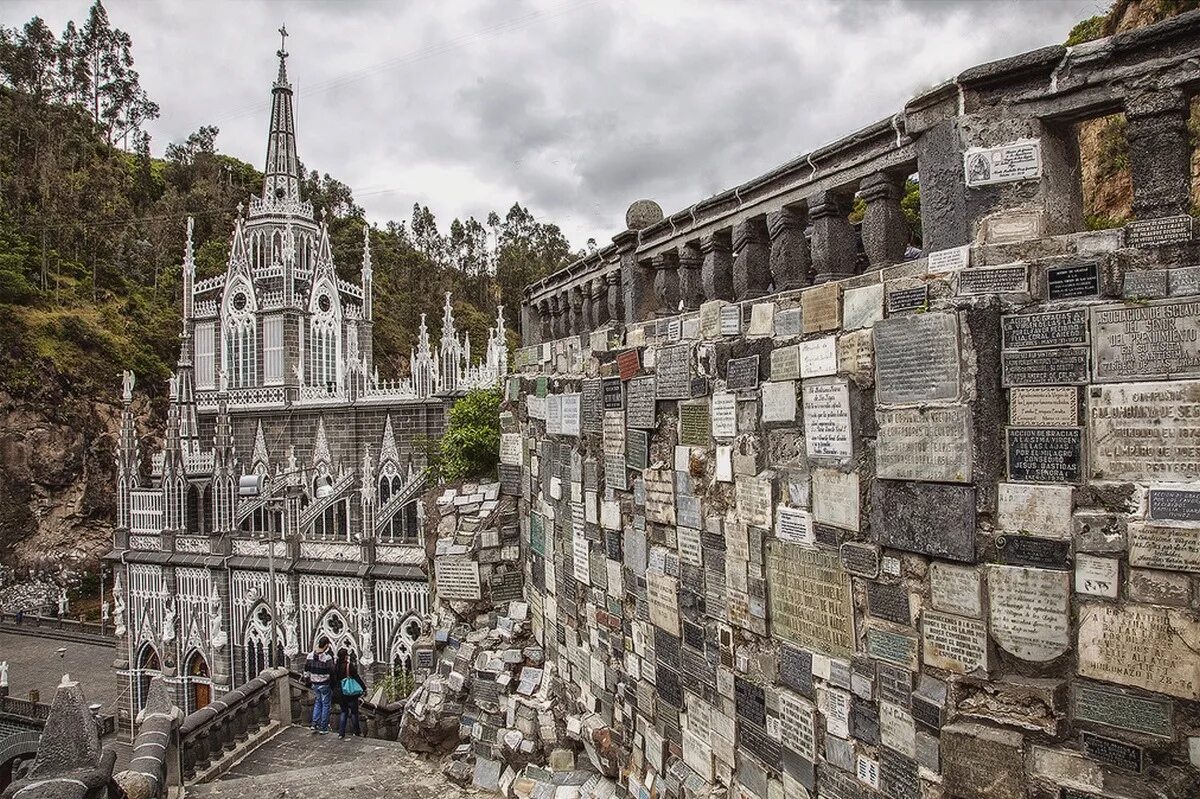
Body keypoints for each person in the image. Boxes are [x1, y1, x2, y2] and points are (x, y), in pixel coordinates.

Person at [334, 648, 366, 740]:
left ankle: (341, 733)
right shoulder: (348, 666)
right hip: (350, 693)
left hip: (341, 693)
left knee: (343, 712)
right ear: (345, 656)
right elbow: (356, 677)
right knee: (354, 713)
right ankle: (357, 732)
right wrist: (363, 688)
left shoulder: (335, 666)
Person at [305, 637, 335, 734]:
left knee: (318, 702)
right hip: (324, 684)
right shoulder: (327, 658)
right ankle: (323, 727)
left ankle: (314, 724)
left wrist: (307, 681)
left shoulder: (309, 656)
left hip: (314, 683)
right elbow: (332, 672)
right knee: (326, 705)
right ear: (326, 645)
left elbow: (306, 671)